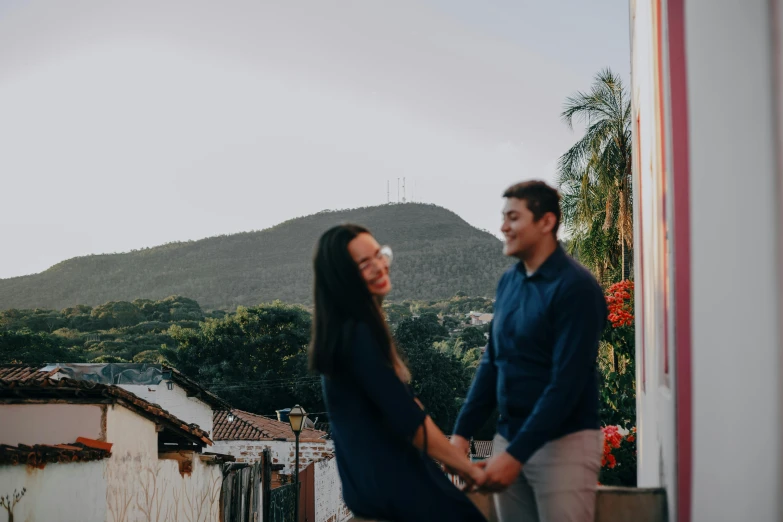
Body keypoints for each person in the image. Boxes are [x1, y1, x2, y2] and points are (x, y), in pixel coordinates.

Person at [450, 181, 608, 522]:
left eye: (513, 217)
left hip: (563, 444)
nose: (503, 227)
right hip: (509, 439)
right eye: (503, 217)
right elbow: (493, 361)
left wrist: (514, 456)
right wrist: (462, 433)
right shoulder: (509, 281)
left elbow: (566, 384)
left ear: (546, 222)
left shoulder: (576, 288)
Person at [310, 224, 487, 522]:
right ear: (342, 277)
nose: (380, 266)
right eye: (365, 263)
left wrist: (458, 462)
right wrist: (467, 468)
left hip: (378, 495)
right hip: (397, 493)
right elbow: (410, 419)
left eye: (380, 255)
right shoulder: (357, 335)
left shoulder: (347, 334)